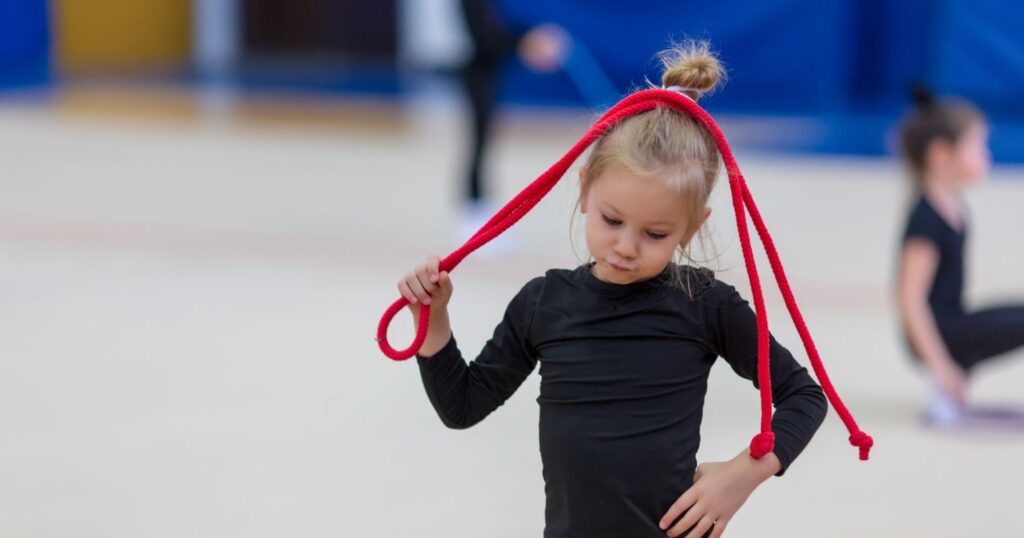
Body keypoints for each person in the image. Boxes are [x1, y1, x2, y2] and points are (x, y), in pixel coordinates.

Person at [395, 42, 829, 537]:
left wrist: (743, 474)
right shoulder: (544, 303)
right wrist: (433, 317)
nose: (626, 246)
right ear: (584, 190)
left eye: (655, 234)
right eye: (612, 220)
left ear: (692, 226)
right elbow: (462, 406)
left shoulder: (704, 305)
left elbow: (805, 396)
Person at [896, 87, 1024, 425]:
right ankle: (945, 387)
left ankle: (951, 385)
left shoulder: (952, 205)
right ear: (941, 155)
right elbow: (910, 299)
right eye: (977, 146)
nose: (986, 155)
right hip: (940, 332)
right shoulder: (925, 218)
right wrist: (942, 367)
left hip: (953, 323)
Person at [456, 0, 568, 242]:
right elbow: (485, 40)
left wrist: (527, 38)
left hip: (489, 74)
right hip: (476, 73)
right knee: (478, 143)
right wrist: (524, 43)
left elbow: (496, 33)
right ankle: (472, 215)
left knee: (485, 143)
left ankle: (480, 210)